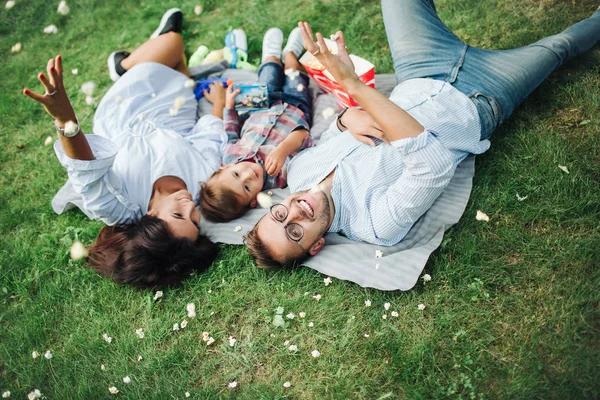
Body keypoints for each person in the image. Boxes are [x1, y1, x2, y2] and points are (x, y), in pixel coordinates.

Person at [245, 0, 600, 268]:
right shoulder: (375, 224)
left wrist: (345, 120)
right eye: (294, 232)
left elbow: (334, 132)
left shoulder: (300, 173)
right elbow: (432, 163)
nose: (294, 213)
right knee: (562, 46)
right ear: (315, 246)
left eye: (279, 216)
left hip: (420, 70)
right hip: (481, 98)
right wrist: (352, 84)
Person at [22, 9, 225, 288]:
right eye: (194, 219)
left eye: (179, 214)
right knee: (175, 52)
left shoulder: (122, 207)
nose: (190, 204)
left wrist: (64, 117)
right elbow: (210, 139)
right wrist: (219, 104)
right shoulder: (204, 182)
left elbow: (86, 171)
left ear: (151, 216)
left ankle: (124, 68)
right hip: (176, 109)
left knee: (174, 42)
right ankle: (143, 58)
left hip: (128, 106)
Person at [199, 27, 314, 222]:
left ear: (223, 168)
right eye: (246, 187)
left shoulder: (230, 156)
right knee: (294, 70)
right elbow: (302, 135)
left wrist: (229, 106)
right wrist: (283, 149)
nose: (247, 175)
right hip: (295, 106)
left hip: (260, 103)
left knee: (269, 71)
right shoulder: (277, 177)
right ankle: (290, 53)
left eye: (236, 174)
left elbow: (231, 130)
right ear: (254, 201)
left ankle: (271, 54)